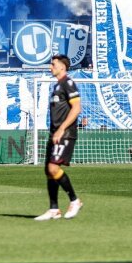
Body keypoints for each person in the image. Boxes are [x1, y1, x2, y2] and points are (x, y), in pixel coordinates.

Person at [34, 55, 83, 221]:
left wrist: (61, 129)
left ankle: (75, 201)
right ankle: (54, 209)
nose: (50, 67)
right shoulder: (56, 86)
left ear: (63, 66)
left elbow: (76, 108)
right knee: (49, 171)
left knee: (54, 168)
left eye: (53, 64)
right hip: (55, 132)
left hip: (65, 133)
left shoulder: (68, 83)